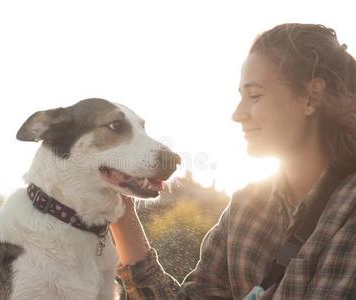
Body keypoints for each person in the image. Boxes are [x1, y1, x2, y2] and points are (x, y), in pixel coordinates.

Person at [110, 23, 356, 299]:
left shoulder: (348, 211)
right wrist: (121, 213)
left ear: (312, 96)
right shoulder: (246, 206)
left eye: (255, 96)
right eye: (241, 97)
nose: (237, 114)